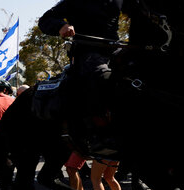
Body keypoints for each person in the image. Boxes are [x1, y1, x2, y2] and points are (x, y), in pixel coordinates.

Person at [38, 0, 122, 154]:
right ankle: (98, 133)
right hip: (87, 53)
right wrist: (60, 26)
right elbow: (45, 20)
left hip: (115, 50)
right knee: (102, 75)